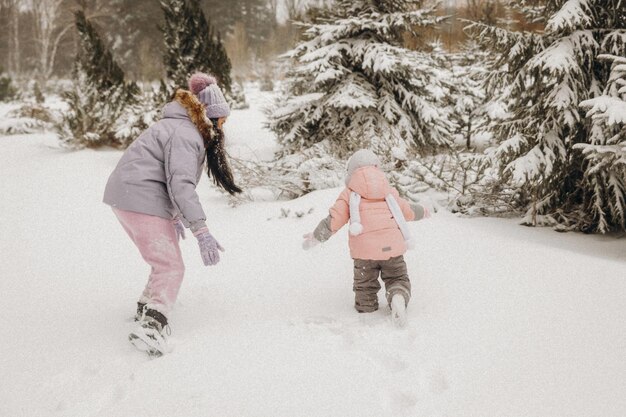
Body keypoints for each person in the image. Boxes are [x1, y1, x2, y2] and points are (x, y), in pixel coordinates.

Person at [103, 73, 241, 356]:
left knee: (162, 260)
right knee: (171, 266)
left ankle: (145, 308)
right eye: (222, 122)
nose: (222, 129)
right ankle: (151, 328)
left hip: (128, 197)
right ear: (209, 117)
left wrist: (175, 216)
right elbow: (180, 184)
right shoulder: (186, 134)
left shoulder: (179, 127)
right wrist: (200, 230)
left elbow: (164, 174)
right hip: (140, 198)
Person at [302, 149, 429, 327]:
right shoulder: (389, 192)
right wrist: (423, 211)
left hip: (365, 252)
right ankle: (398, 296)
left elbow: (334, 219)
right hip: (393, 248)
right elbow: (407, 210)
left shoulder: (349, 193)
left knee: (365, 285)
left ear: (351, 171)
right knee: (397, 277)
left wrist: (316, 237)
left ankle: (366, 312)